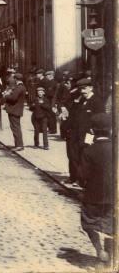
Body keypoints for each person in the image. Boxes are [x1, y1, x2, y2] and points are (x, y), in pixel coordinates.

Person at [80, 112, 113, 263]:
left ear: (92, 131)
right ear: (110, 130)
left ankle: (100, 251)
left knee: (89, 223)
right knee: (110, 224)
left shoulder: (89, 150)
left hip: (93, 196)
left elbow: (82, 176)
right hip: (113, 196)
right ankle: (108, 255)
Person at [3, 74, 26, 151]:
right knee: (15, 127)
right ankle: (18, 144)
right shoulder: (20, 87)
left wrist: (6, 95)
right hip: (16, 110)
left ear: (16, 79)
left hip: (15, 110)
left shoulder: (19, 88)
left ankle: (19, 145)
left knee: (15, 128)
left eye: (14, 79)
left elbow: (13, 98)